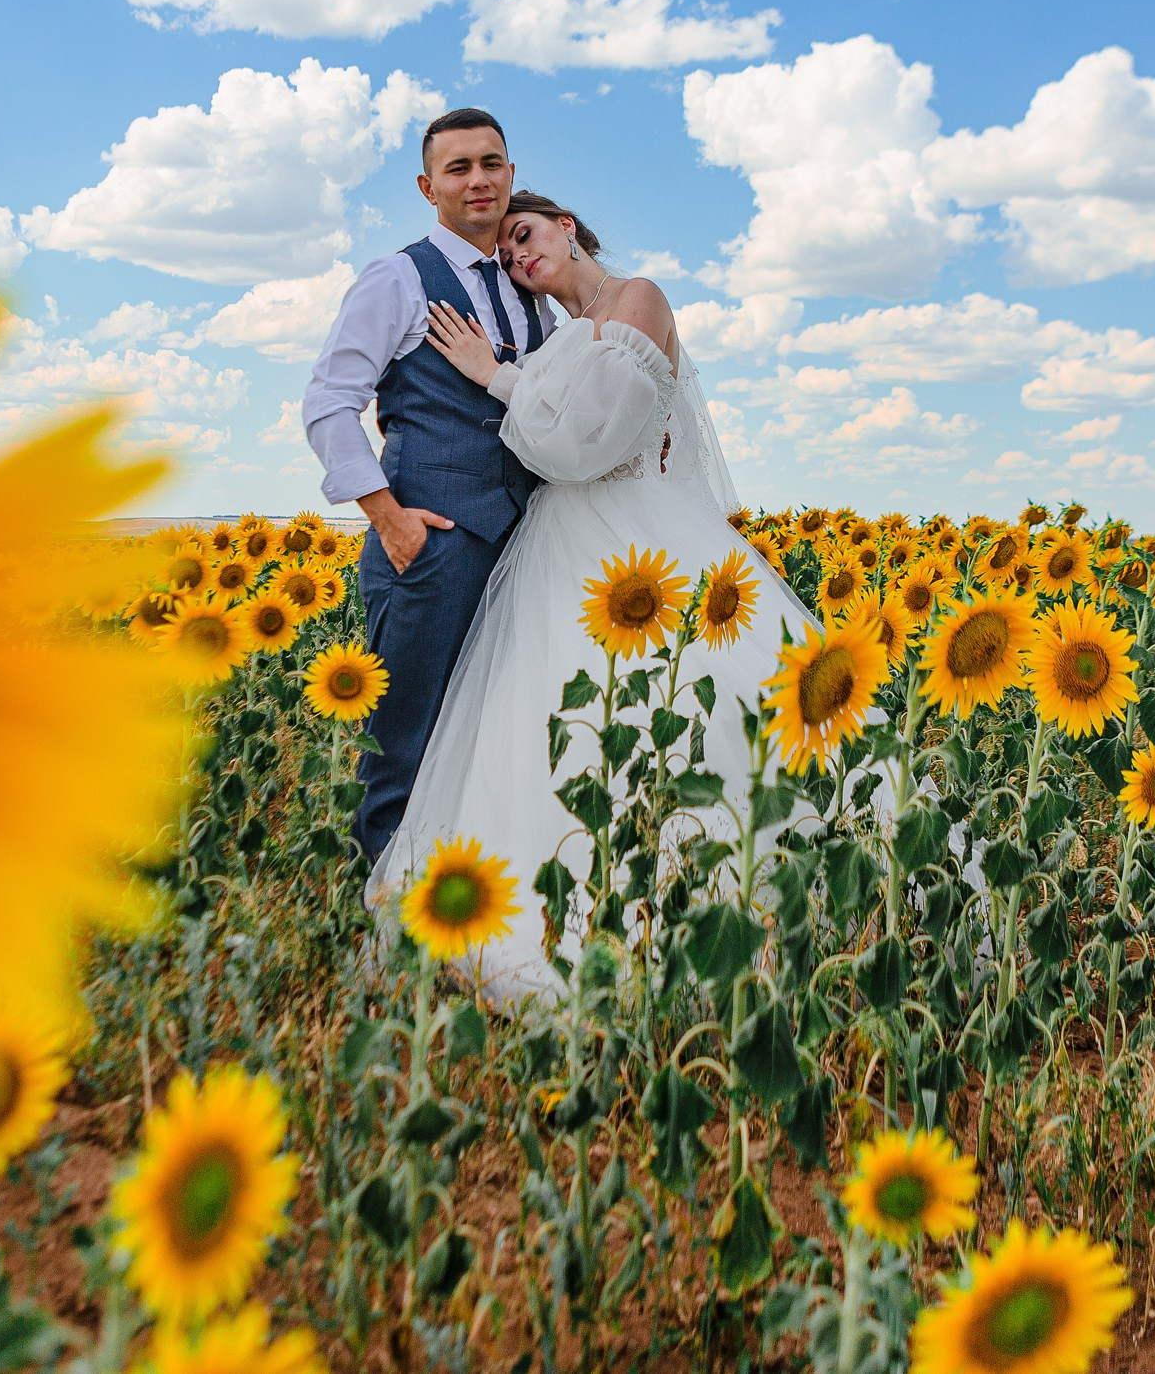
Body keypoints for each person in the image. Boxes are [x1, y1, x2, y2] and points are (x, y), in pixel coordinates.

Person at [367, 190, 825, 999]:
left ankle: (702, 907)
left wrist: (497, 378)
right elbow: (550, 444)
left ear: (566, 227)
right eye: (506, 254)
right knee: (542, 726)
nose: (517, 255)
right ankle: (553, 911)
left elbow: (585, 443)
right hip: (557, 551)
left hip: (639, 542)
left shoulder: (637, 298)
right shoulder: (554, 334)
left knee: (676, 705)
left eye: (526, 233)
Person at [301, 108, 549, 870]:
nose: (479, 180)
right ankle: (376, 929)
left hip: (521, 548)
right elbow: (328, 402)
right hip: (430, 548)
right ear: (426, 185)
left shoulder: (527, 290)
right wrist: (388, 517)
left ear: (511, 173)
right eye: (459, 168)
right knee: (403, 744)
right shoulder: (398, 277)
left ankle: (453, 913)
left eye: (492, 163)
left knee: (486, 738)